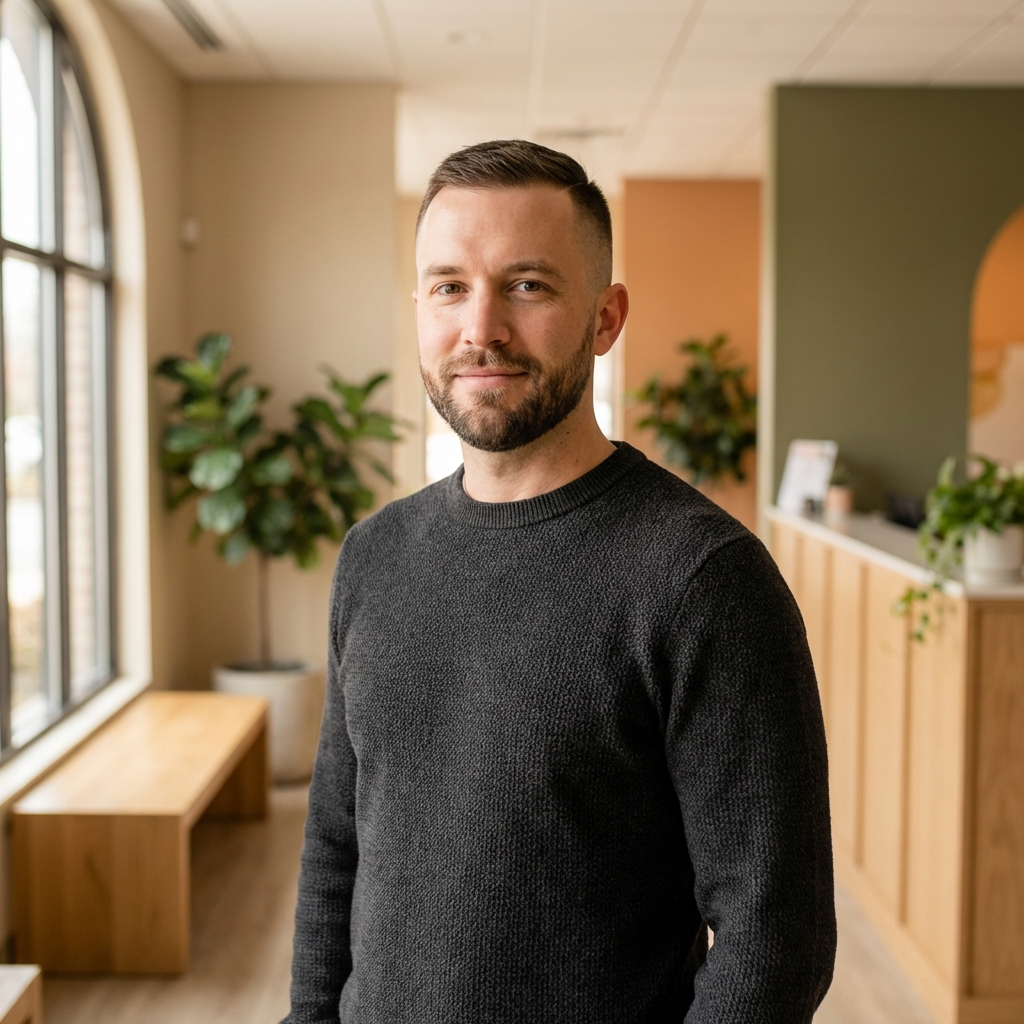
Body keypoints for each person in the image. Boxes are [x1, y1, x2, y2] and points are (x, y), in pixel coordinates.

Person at [283, 140, 835, 1024]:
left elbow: (780, 936)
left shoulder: (705, 581)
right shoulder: (373, 555)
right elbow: (336, 847)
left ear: (607, 319)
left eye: (528, 285)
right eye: (449, 286)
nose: (481, 329)